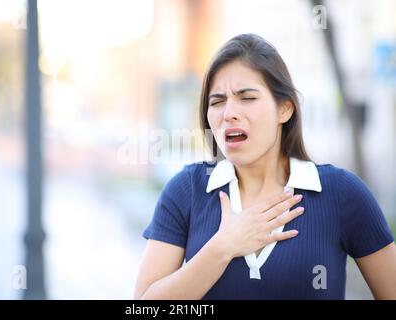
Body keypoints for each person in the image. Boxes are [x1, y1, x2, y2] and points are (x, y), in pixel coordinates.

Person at [134, 34, 396, 300]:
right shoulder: (186, 190)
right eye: (217, 101)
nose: (229, 113)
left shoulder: (341, 193)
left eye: (246, 97)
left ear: (285, 109)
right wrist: (221, 249)